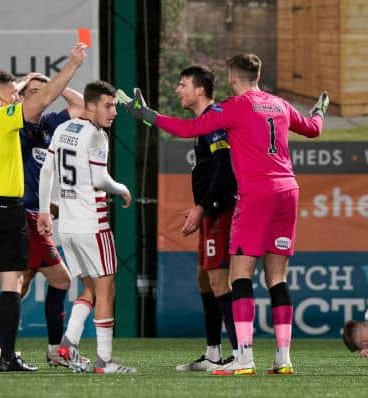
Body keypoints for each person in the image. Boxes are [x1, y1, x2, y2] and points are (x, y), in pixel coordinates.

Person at [119, 53, 328, 376]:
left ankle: (244, 358)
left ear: (232, 78)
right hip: (288, 191)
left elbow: (188, 129)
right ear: (258, 74)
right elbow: (313, 129)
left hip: (256, 193)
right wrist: (318, 112)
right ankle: (283, 358)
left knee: (239, 276)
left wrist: (146, 114)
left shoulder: (234, 107)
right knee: (277, 278)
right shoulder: (280, 104)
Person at [0, 41, 87, 372]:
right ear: (2, 97)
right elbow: (40, 99)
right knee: (12, 286)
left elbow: (21, 97)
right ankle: (8, 356)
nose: (16, 98)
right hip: (7, 210)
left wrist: (15, 86)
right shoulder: (5, 119)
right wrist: (71, 64)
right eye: (12, 95)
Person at [38, 80, 135, 374]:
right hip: (93, 223)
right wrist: (122, 189)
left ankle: (67, 343)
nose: (113, 112)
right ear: (90, 107)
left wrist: (44, 211)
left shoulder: (63, 129)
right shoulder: (96, 136)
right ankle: (104, 361)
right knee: (107, 289)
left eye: (114, 106)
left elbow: (46, 170)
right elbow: (100, 180)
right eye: (108, 106)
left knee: (90, 288)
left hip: (67, 227)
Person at [14, 74, 86, 367]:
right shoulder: (15, 124)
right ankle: (3, 348)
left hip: (35, 216)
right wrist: (23, 85)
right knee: (48, 281)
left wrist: (52, 87)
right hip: (21, 215)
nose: (39, 97)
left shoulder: (50, 124)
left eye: (42, 93)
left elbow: (81, 105)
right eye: (32, 93)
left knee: (23, 283)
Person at [171, 65, 238, 372]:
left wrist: (204, 206)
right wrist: (200, 206)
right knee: (204, 278)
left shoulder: (215, 120)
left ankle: (239, 354)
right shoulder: (205, 122)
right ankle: (212, 353)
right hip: (210, 209)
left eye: (182, 84)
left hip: (221, 210)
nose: (177, 90)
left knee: (219, 281)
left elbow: (226, 168)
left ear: (199, 90)